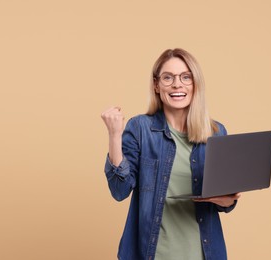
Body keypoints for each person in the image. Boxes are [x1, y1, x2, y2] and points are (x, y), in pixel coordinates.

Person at [101, 48, 241, 260]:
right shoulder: (140, 128)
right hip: (152, 254)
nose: (177, 84)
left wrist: (228, 201)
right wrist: (114, 136)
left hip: (204, 254)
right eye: (168, 77)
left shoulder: (215, 132)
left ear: (196, 84)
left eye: (186, 77)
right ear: (157, 85)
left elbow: (225, 203)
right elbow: (119, 190)